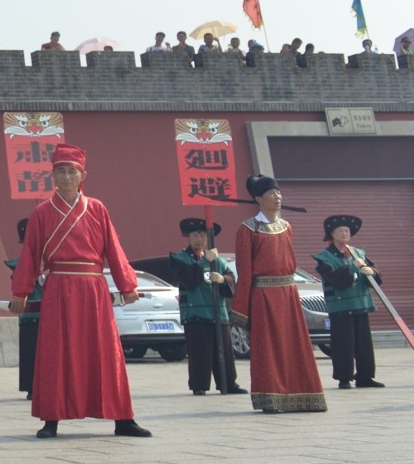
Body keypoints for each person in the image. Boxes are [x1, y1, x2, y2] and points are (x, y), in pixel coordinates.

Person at [10, 144, 153, 439]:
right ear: (53, 176)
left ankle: (122, 418)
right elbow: (30, 254)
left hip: (93, 288)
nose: (66, 177)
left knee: (105, 351)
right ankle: (51, 418)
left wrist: (127, 285)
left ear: (82, 175)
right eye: (60, 171)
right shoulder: (42, 213)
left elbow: (113, 248)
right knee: (56, 352)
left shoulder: (97, 208)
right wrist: (20, 292)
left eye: (71, 171)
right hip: (59, 287)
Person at [235, 175, 327, 413]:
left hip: (288, 292)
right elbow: (245, 272)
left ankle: (303, 394)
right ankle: (272, 398)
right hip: (264, 295)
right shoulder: (248, 229)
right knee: (269, 347)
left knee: (295, 343)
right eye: (271, 194)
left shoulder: (286, 227)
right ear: (258, 199)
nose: (277, 198)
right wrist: (243, 308)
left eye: (278, 193)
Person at [165, 219, 243, 396]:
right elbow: (188, 280)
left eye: (202, 235)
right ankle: (199, 384)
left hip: (218, 312)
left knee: (224, 350)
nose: (199, 239)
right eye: (195, 235)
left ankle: (229, 383)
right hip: (195, 313)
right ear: (188, 237)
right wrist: (203, 263)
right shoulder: (179, 258)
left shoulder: (218, 261)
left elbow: (231, 279)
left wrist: (223, 280)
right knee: (200, 352)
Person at [315, 215, 384, 390]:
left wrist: (371, 271)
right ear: (332, 234)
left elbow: (375, 275)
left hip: (361, 304)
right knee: (343, 343)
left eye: (347, 230)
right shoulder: (325, 257)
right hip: (340, 307)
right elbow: (335, 279)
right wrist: (354, 268)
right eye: (340, 230)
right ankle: (344, 378)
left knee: (364, 343)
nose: (345, 233)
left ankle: (365, 377)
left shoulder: (358, 252)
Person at [5, 220, 40, 398]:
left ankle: (33, 388)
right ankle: (33, 388)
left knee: (32, 352)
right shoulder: (27, 262)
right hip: (33, 313)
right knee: (34, 352)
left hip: (35, 314)